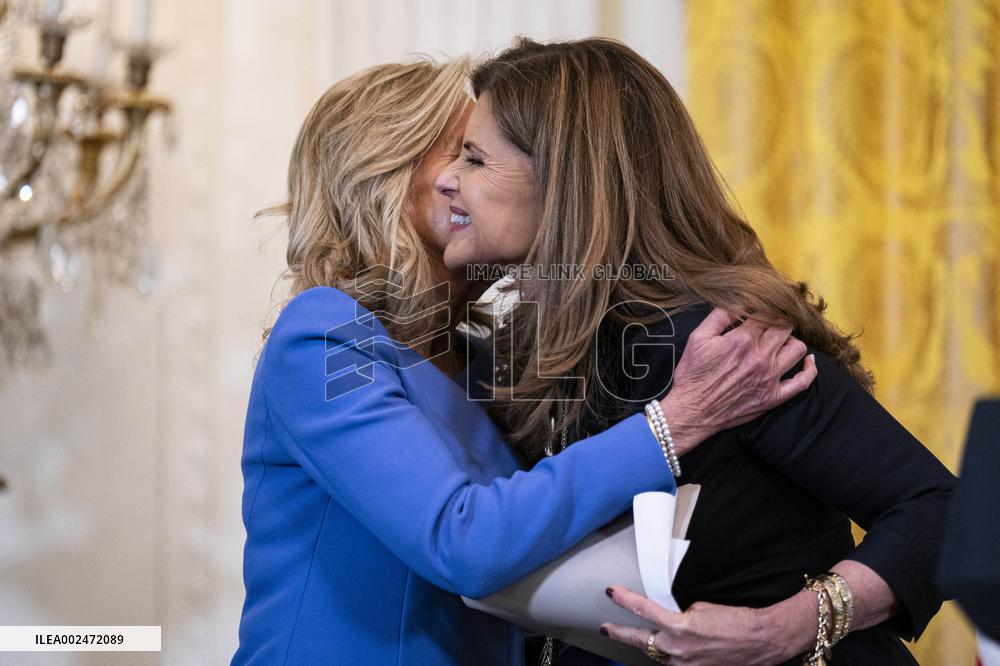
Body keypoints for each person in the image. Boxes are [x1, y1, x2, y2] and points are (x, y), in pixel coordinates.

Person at [232, 58, 815, 665]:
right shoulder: (325, 333)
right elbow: (460, 541)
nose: (479, 179)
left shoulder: (487, 355)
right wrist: (674, 423)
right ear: (385, 171)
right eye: (464, 154)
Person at [435, 37, 956, 665]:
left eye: (472, 158)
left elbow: (939, 510)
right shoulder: (505, 354)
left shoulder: (720, 342)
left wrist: (788, 626)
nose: (446, 179)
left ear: (565, 178)